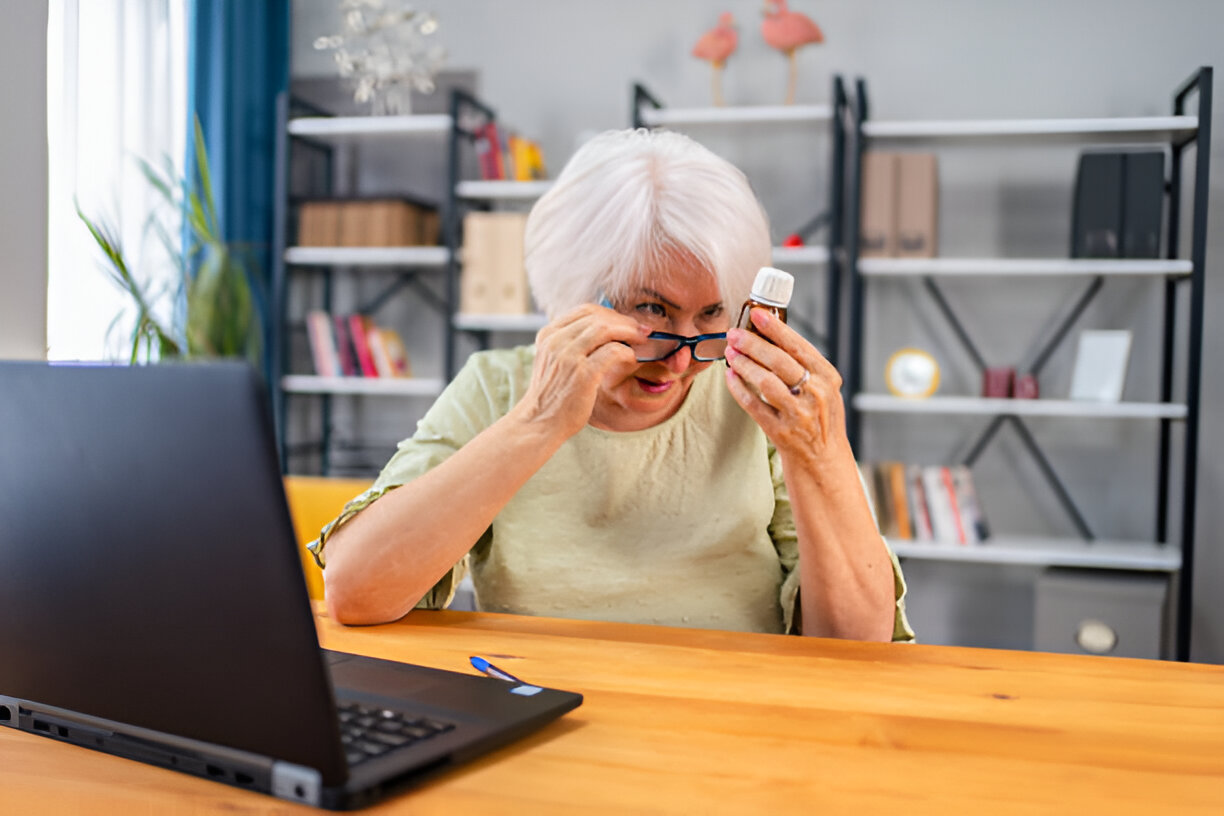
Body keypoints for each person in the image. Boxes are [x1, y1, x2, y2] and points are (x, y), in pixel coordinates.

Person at [311, 128, 913, 642]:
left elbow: (856, 648)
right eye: (651, 311)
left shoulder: (757, 398)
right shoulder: (498, 389)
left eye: (711, 315)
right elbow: (357, 593)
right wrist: (541, 420)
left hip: (736, 720)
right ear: (569, 293)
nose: (679, 364)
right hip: (548, 715)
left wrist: (819, 453)